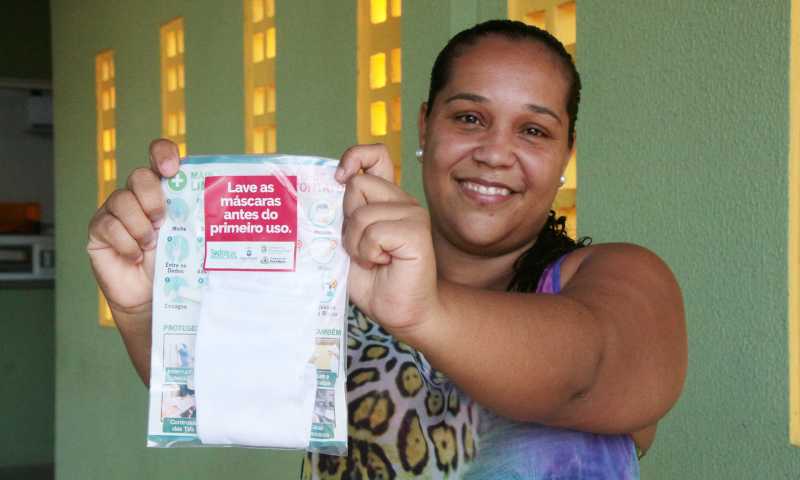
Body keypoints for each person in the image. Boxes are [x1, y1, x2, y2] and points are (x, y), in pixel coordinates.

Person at [87, 19, 686, 479]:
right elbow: (219, 397)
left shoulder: (621, 278)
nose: (496, 153)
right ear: (425, 126)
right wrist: (143, 310)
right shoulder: (338, 276)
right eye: (470, 118)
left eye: (533, 130)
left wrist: (422, 313)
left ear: (566, 154)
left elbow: (580, 376)